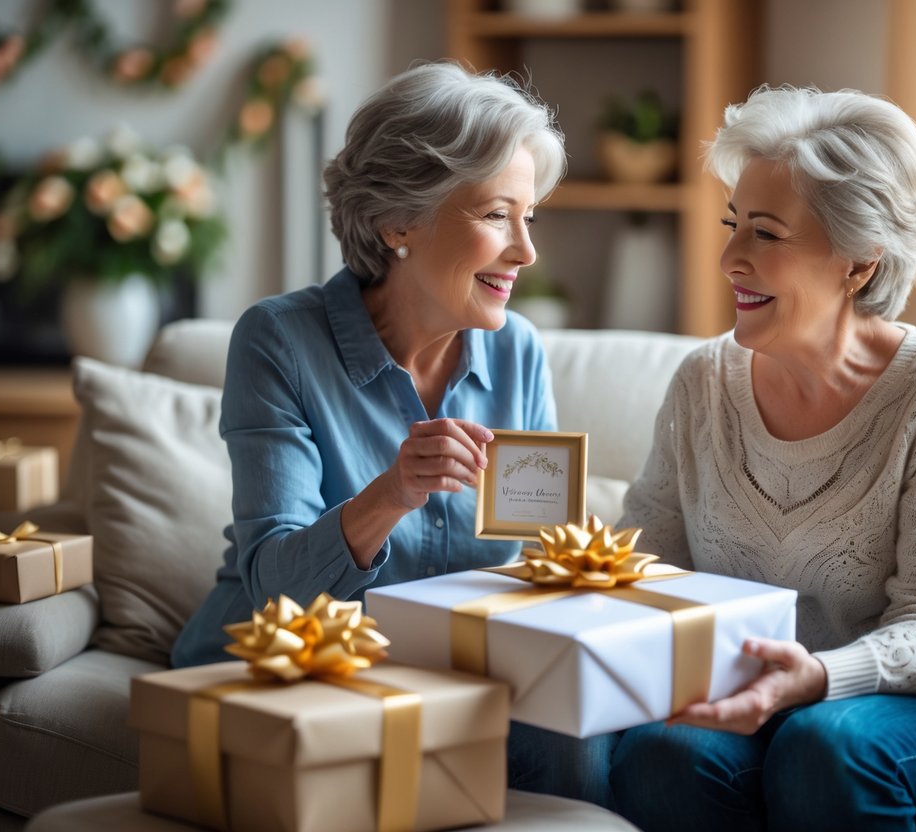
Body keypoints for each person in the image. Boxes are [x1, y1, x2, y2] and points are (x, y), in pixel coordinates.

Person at [170, 60, 608, 804]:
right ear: (398, 221)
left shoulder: (517, 349)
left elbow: (535, 551)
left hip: (457, 673)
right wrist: (393, 492)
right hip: (296, 668)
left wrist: (578, 571)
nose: (525, 251)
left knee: (582, 740)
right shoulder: (278, 340)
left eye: (528, 217)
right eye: (496, 215)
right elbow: (274, 585)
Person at [607, 85, 916, 831]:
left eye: (765, 235)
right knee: (662, 752)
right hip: (770, 697)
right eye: (731, 224)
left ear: (859, 262)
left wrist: (819, 678)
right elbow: (649, 569)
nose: (728, 257)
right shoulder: (703, 384)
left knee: (823, 746)